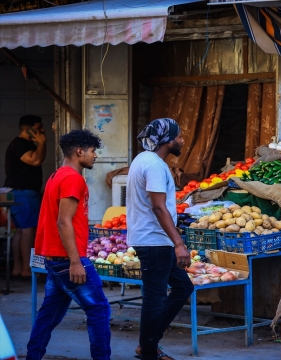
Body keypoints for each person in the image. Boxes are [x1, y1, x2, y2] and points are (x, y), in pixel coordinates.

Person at [26, 130, 109, 360]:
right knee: (99, 309)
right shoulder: (73, 178)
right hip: (66, 259)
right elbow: (63, 221)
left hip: (55, 258)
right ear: (80, 151)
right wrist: (75, 261)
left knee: (49, 314)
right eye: (93, 151)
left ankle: (33, 356)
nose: (95, 156)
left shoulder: (57, 175)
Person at [127, 118, 193, 360]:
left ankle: (148, 344)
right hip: (154, 241)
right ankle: (149, 351)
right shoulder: (154, 165)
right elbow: (158, 207)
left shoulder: (142, 160)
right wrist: (179, 244)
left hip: (156, 240)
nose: (182, 140)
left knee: (183, 287)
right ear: (167, 140)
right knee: (155, 298)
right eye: (179, 136)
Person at [5, 115, 47, 278]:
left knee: (21, 232)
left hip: (19, 192)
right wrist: (42, 142)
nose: (42, 131)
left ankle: (18, 269)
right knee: (28, 231)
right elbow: (35, 160)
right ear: (27, 129)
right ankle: (26, 269)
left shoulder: (23, 144)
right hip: (23, 193)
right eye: (38, 127)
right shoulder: (20, 144)